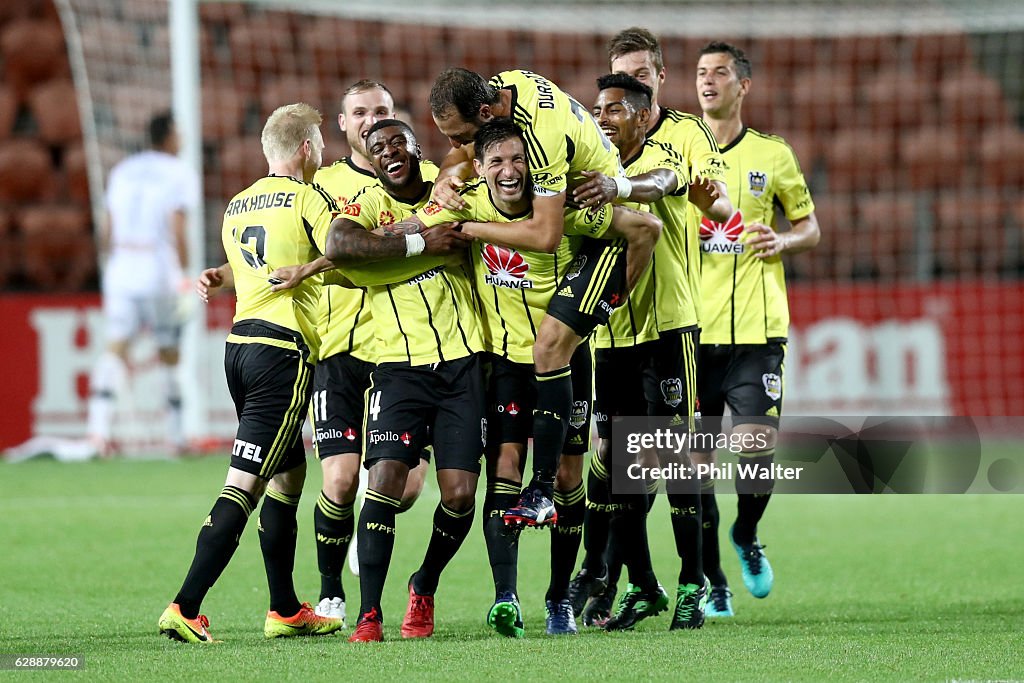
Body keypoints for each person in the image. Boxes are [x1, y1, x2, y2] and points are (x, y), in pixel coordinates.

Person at [407, 118, 643, 636]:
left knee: (567, 478)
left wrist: (610, 298)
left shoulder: (564, 212)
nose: (509, 171)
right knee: (506, 472)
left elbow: (642, 228)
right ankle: (505, 596)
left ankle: (559, 597)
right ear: (482, 169)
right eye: (496, 162)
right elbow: (413, 226)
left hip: (564, 360)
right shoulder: (466, 202)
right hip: (505, 364)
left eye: (517, 160)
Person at [428, 67, 662, 535]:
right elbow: (462, 157)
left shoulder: (542, 140)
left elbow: (546, 233)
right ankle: (591, 551)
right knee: (566, 373)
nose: (456, 146)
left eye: (459, 136)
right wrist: (444, 177)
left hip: (595, 229)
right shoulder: (502, 84)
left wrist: (469, 229)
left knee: (549, 347)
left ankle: (540, 490)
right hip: (586, 212)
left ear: (485, 112)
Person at [567, 26, 735, 627]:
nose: (613, 106)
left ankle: (694, 583)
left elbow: (683, 187)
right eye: (608, 95)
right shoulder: (591, 144)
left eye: (639, 76)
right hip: (609, 334)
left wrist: (705, 198)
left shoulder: (684, 135)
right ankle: (636, 582)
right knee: (613, 461)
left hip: (669, 322)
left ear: (658, 80)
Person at [157, 103, 343, 643]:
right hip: (282, 352)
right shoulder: (310, 197)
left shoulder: (238, 204)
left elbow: (249, 271)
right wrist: (315, 267)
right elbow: (343, 250)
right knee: (245, 482)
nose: (323, 153)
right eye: (320, 145)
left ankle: (284, 609)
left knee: (289, 475)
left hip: (239, 347)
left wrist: (220, 275)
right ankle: (185, 605)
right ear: (306, 148)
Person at [321, 119, 481, 643]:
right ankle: (369, 613)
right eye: (376, 146)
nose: (388, 150)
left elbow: (459, 232)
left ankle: (425, 582)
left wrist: (392, 244)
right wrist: (418, 244)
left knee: (458, 495)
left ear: (416, 147)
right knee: (386, 478)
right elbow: (342, 246)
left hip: (463, 364)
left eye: (398, 141)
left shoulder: (450, 181)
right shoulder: (364, 205)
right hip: (397, 367)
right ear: (367, 158)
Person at [690, 41, 820, 617]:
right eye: (700, 73)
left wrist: (784, 240)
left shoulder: (774, 154)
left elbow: (809, 226)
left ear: (744, 85)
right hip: (689, 333)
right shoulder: (678, 151)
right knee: (690, 469)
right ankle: (714, 579)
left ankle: (745, 532)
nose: (708, 81)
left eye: (720, 73)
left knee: (756, 458)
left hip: (757, 332)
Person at [302, 79, 433, 624]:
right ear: (341, 123)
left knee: (405, 487)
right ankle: (332, 591)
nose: (368, 119)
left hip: (401, 353)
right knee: (339, 479)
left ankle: (367, 527)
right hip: (338, 352)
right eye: (358, 112)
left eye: (380, 110)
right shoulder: (322, 184)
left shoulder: (420, 183)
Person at [87, 111, 199, 456]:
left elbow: (107, 226)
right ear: (167, 136)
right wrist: (183, 272)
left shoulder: (123, 170)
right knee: (169, 351)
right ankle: (177, 437)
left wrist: (113, 263)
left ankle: (97, 433)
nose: (182, 138)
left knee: (116, 346)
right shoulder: (179, 172)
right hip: (157, 268)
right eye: (178, 132)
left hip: (121, 266)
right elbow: (178, 225)